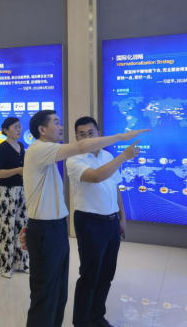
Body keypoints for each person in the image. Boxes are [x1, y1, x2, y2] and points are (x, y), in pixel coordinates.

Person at [20, 110, 149, 327]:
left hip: (56, 226)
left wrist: (121, 217)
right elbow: (91, 168)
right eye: (56, 122)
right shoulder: (41, 149)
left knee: (59, 292)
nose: (61, 127)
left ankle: (92, 317)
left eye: (91, 133)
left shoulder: (49, 153)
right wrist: (121, 138)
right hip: (56, 226)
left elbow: (38, 196)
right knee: (46, 293)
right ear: (42, 129)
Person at [67, 117, 140, 327]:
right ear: (76, 138)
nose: (87, 137)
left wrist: (122, 218)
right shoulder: (74, 159)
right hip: (89, 222)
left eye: (91, 133)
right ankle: (81, 322)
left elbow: (115, 187)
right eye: (82, 134)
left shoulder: (108, 156)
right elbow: (96, 177)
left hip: (111, 221)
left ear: (99, 134)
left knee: (107, 274)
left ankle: (97, 317)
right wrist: (124, 157)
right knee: (89, 275)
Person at [0, 117, 29, 279]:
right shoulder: (1, 149)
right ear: (6, 130)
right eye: (15, 127)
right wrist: (17, 170)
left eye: (20, 126)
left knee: (22, 227)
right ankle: (5, 265)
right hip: (6, 192)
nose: (19, 129)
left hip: (21, 190)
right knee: (6, 229)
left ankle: (22, 262)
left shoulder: (21, 146)